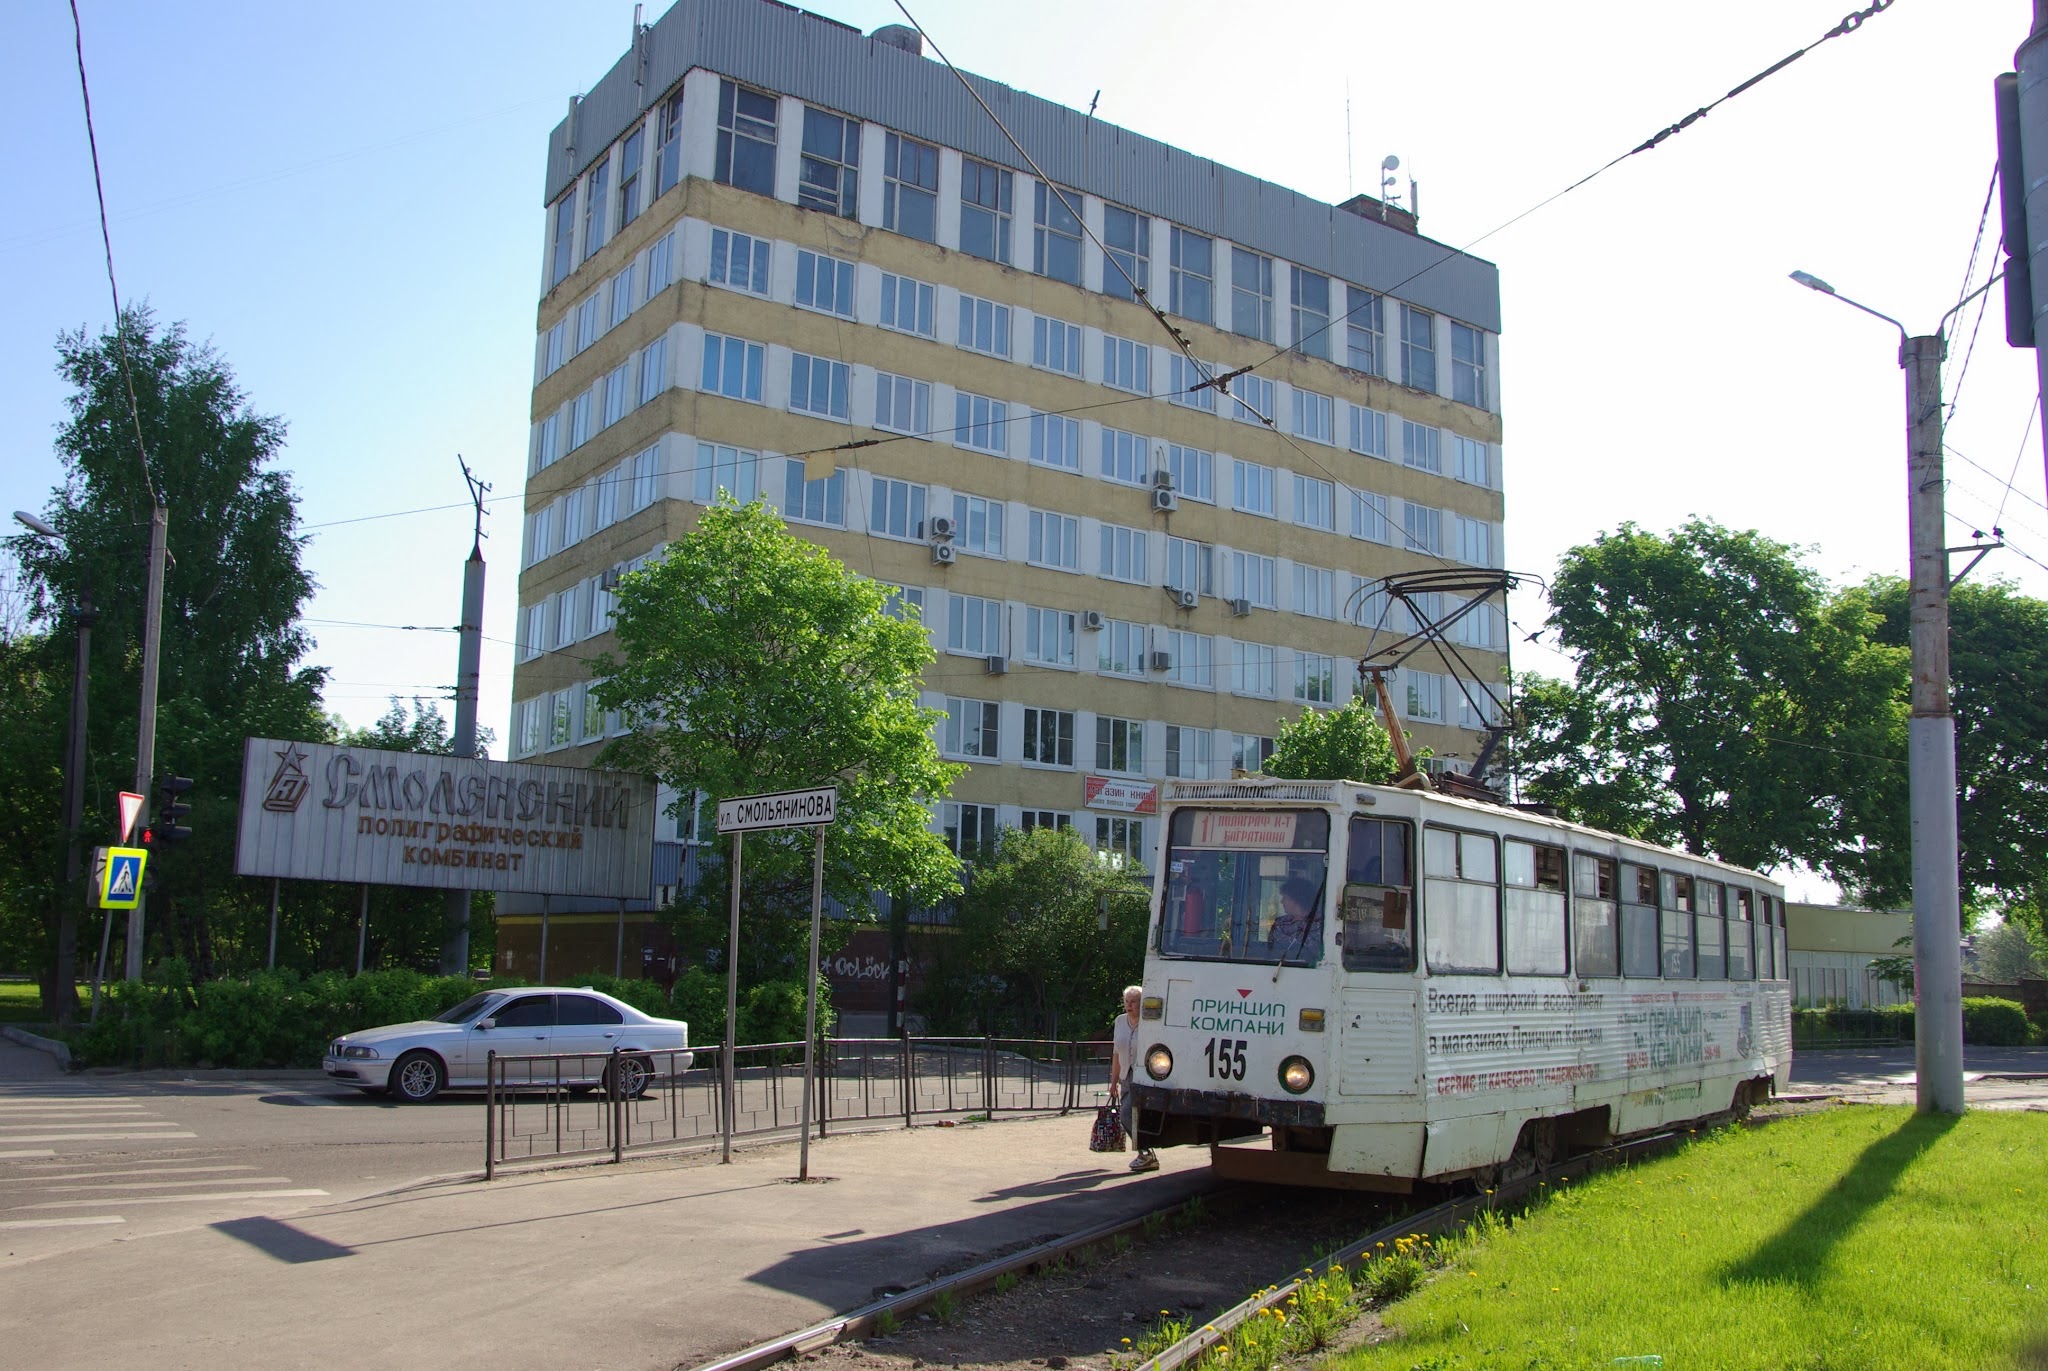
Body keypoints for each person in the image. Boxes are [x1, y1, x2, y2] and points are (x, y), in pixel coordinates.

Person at [1109, 984, 1158, 1172]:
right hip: (1125, 1076)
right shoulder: (1120, 1021)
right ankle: (1146, 1154)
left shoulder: (1149, 1022)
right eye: (1126, 1001)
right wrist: (1113, 1081)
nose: (1129, 1005)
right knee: (1129, 1116)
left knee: (1127, 1114)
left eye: (1134, 1002)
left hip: (1143, 1076)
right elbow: (1116, 1052)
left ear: (1142, 1003)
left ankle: (1146, 1153)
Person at [1270, 876, 1321, 957]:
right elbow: (1271, 950)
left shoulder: (1320, 923)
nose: (1281, 901)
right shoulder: (1280, 923)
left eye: (1285, 897)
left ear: (1297, 898)